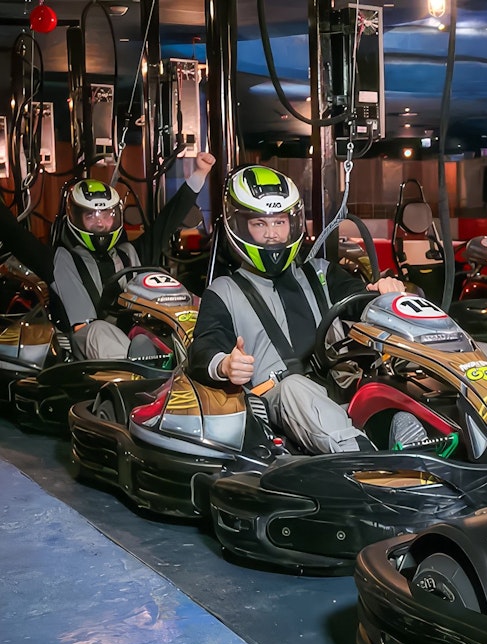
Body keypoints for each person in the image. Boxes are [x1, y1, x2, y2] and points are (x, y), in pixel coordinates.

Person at [187, 164, 405, 455]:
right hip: (272, 404)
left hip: (336, 390)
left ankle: (405, 433)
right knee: (294, 387)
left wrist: (385, 294)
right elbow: (203, 348)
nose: (272, 235)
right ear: (240, 226)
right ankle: (364, 459)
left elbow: (359, 301)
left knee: (392, 377)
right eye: (260, 224)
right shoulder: (223, 291)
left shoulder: (321, 274)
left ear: (293, 223)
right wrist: (225, 364)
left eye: (278, 223)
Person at [0, 153, 216, 360]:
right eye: (91, 216)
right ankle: (139, 372)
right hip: (84, 352)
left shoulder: (132, 253)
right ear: (76, 218)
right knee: (99, 330)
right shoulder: (57, 261)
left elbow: (166, 223)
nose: (101, 223)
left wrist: (198, 174)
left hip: (136, 340)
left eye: (106, 215)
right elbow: (13, 234)